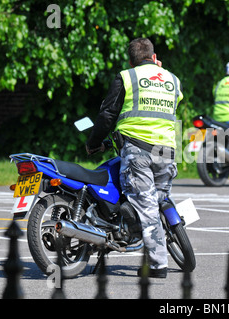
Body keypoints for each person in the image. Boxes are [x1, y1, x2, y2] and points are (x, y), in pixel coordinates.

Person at [86, 38, 183, 279]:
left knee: (147, 207)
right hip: (167, 152)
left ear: (131, 61)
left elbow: (108, 114)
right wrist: (158, 71)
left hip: (138, 150)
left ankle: (158, 265)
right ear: (154, 56)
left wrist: (94, 142)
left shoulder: (127, 77)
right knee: (158, 200)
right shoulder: (172, 79)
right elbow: (175, 100)